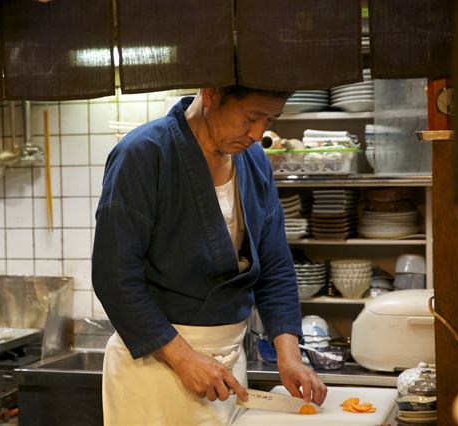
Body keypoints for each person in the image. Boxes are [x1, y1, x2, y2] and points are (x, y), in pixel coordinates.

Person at [92, 85, 327, 425]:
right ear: (211, 93)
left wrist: (288, 356)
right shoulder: (144, 153)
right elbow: (115, 278)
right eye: (251, 117)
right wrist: (185, 359)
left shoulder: (255, 160)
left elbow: (275, 265)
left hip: (228, 369)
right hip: (156, 366)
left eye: (270, 119)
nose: (258, 133)